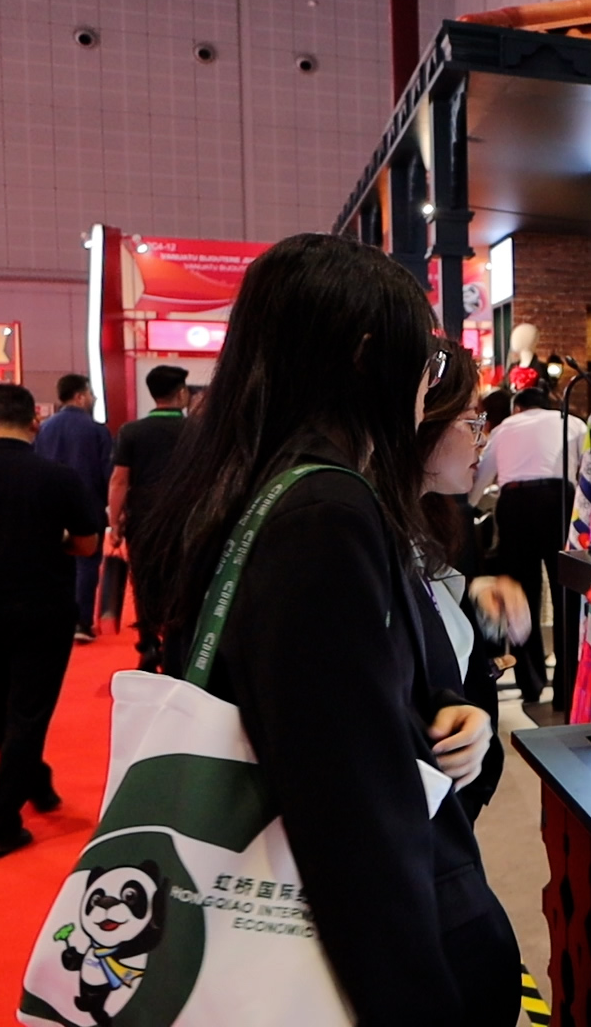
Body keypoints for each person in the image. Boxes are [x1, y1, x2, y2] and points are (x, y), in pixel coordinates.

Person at [129, 233, 519, 1023]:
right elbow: (352, 810)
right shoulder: (323, 511)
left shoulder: (262, 485)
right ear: (369, 355)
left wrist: (444, 707)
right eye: (425, 359)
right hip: (338, 947)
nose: (430, 383)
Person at [0, 384, 102, 860]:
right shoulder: (58, 477)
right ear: (35, 423)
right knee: (27, 715)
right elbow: (86, 544)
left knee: (1, 710)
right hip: (41, 610)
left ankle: (36, 785)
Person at [417, 339, 530, 824]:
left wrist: (475, 601)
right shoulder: (354, 524)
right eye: (471, 422)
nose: (481, 440)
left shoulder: (438, 515)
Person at [471, 385, 585, 704]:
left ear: (517, 408)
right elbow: (586, 472)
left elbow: (481, 479)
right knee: (566, 595)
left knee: (521, 595)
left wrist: (469, 507)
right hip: (560, 502)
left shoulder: (505, 427)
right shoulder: (572, 422)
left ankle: (531, 683)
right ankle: (567, 688)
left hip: (516, 504)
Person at [108, 364, 190, 670]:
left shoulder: (131, 431)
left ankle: (149, 644)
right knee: (184, 580)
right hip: (186, 518)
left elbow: (119, 480)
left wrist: (115, 522)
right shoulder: (198, 430)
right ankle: (177, 645)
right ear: (181, 393)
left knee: (144, 581)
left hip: (143, 519)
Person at [35, 373, 113, 643]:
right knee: (87, 563)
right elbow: (108, 473)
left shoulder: (44, 429)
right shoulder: (97, 430)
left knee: (53, 563)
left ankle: (55, 620)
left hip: (48, 507)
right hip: (88, 505)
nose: (93, 398)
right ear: (80, 396)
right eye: (90, 393)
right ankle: (81, 621)